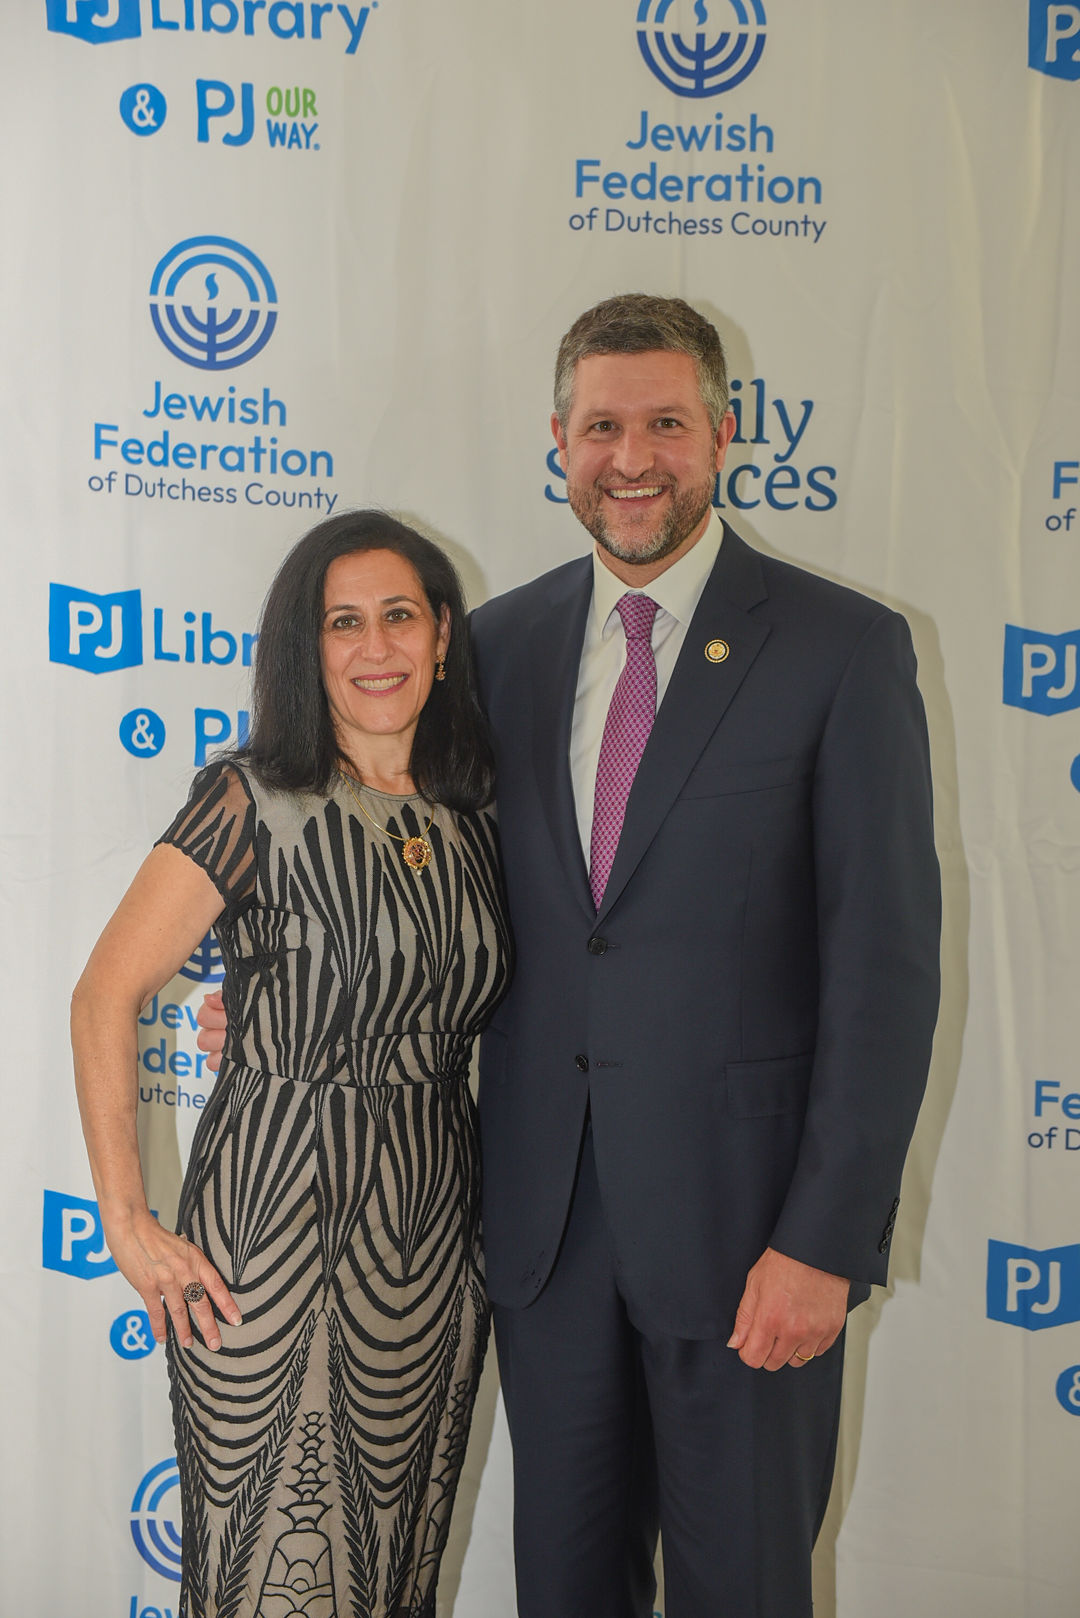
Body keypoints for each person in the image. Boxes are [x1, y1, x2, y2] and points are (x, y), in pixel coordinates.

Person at [201, 294, 941, 1618]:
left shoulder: (844, 649)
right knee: (563, 1588)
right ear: (560, 443)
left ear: (724, 432)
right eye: (602, 427)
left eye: (666, 423)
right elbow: (415, 869)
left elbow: (883, 971)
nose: (632, 457)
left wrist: (825, 1240)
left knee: (743, 1587)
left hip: (747, 1238)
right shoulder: (495, 648)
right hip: (540, 1237)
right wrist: (287, 1000)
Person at [72, 512, 510, 1618]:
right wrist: (127, 1219)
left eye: (398, 615)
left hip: (434, 1250)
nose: (376, 647)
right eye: (342, 623)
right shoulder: (252, 797)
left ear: (442, 634)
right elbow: (106, 993)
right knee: (270, 1584)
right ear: (304, 651)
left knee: (395, 1583)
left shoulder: (479, 813)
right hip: (270, 1240)